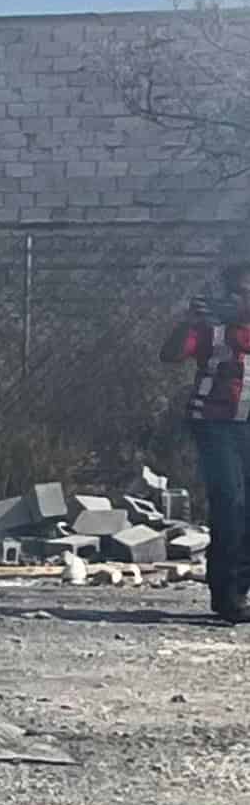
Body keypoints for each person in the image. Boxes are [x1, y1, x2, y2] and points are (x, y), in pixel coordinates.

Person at [171, 258, 250, 625]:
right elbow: (170, 355)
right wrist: (190, 320)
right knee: (230, 504)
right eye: (239, 290)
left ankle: (239, 589)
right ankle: (228, 595)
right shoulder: (211, 328)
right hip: (215, 424)